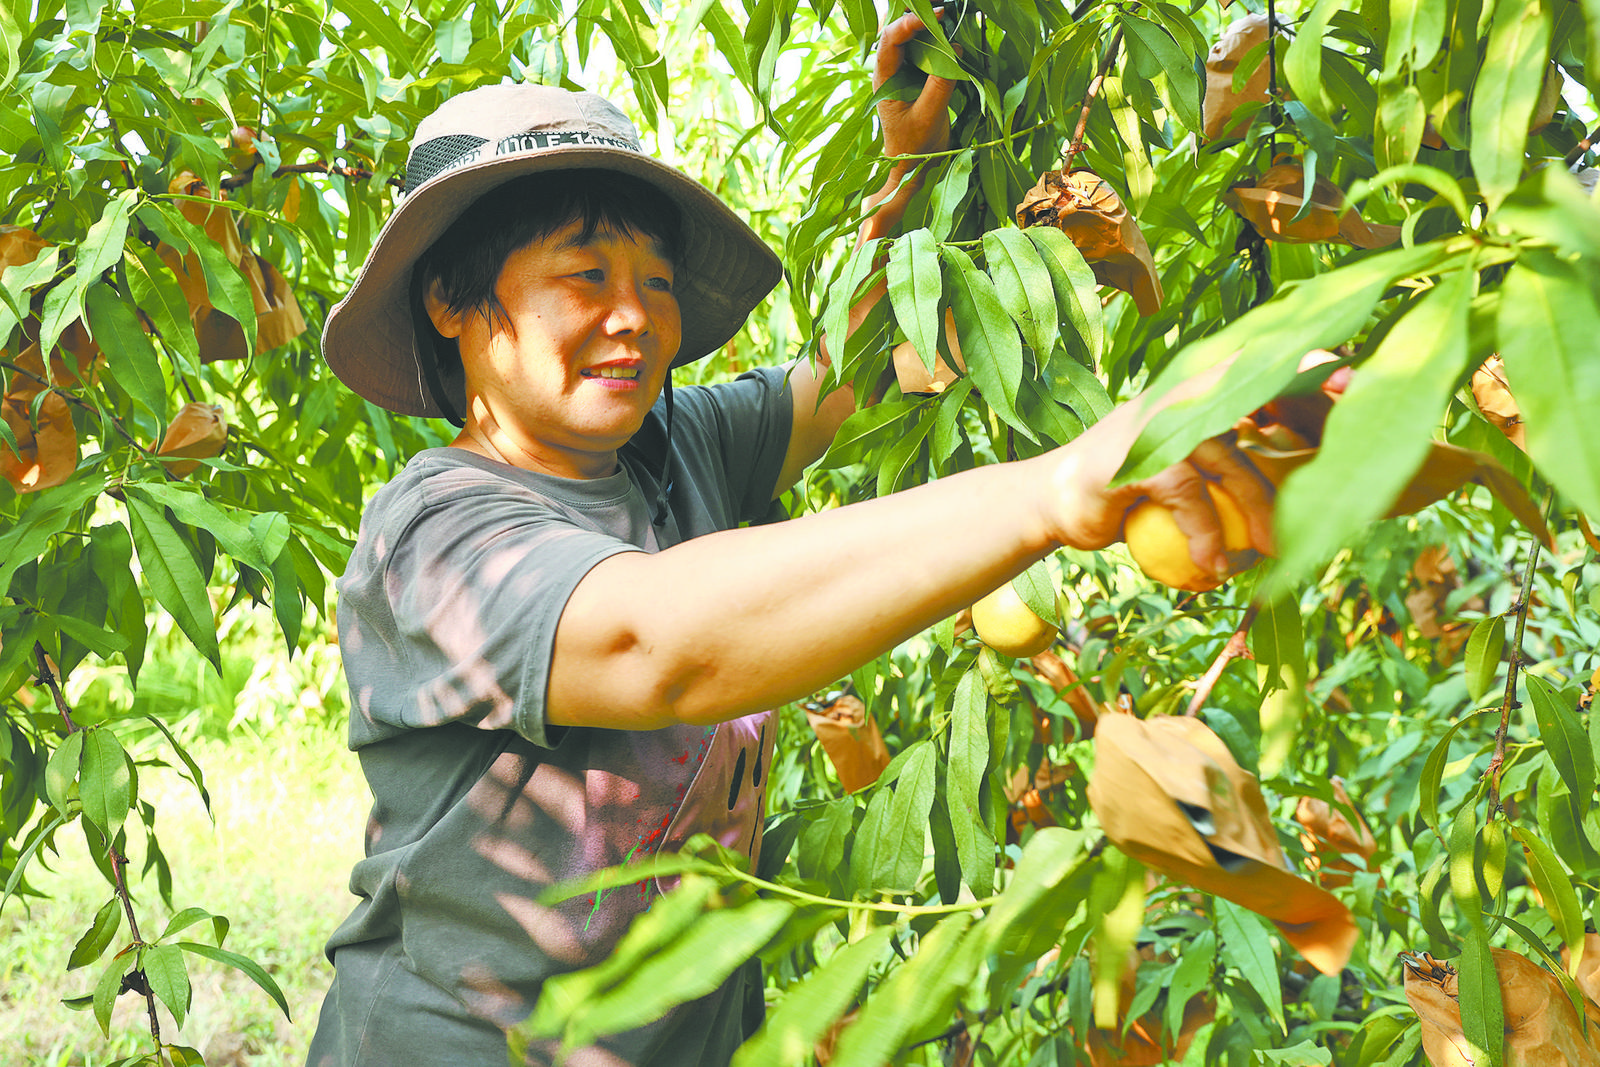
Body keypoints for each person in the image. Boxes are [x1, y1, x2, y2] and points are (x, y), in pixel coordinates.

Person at [308, 14, 1274, 1067]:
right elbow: (656, 644)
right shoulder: (435, 532)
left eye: (656, 281)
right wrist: (1058, 490)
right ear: (450, 299)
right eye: (585, 276)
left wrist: (911, 178)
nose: (634, 317)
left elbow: (844, 377)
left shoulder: (673, 447)